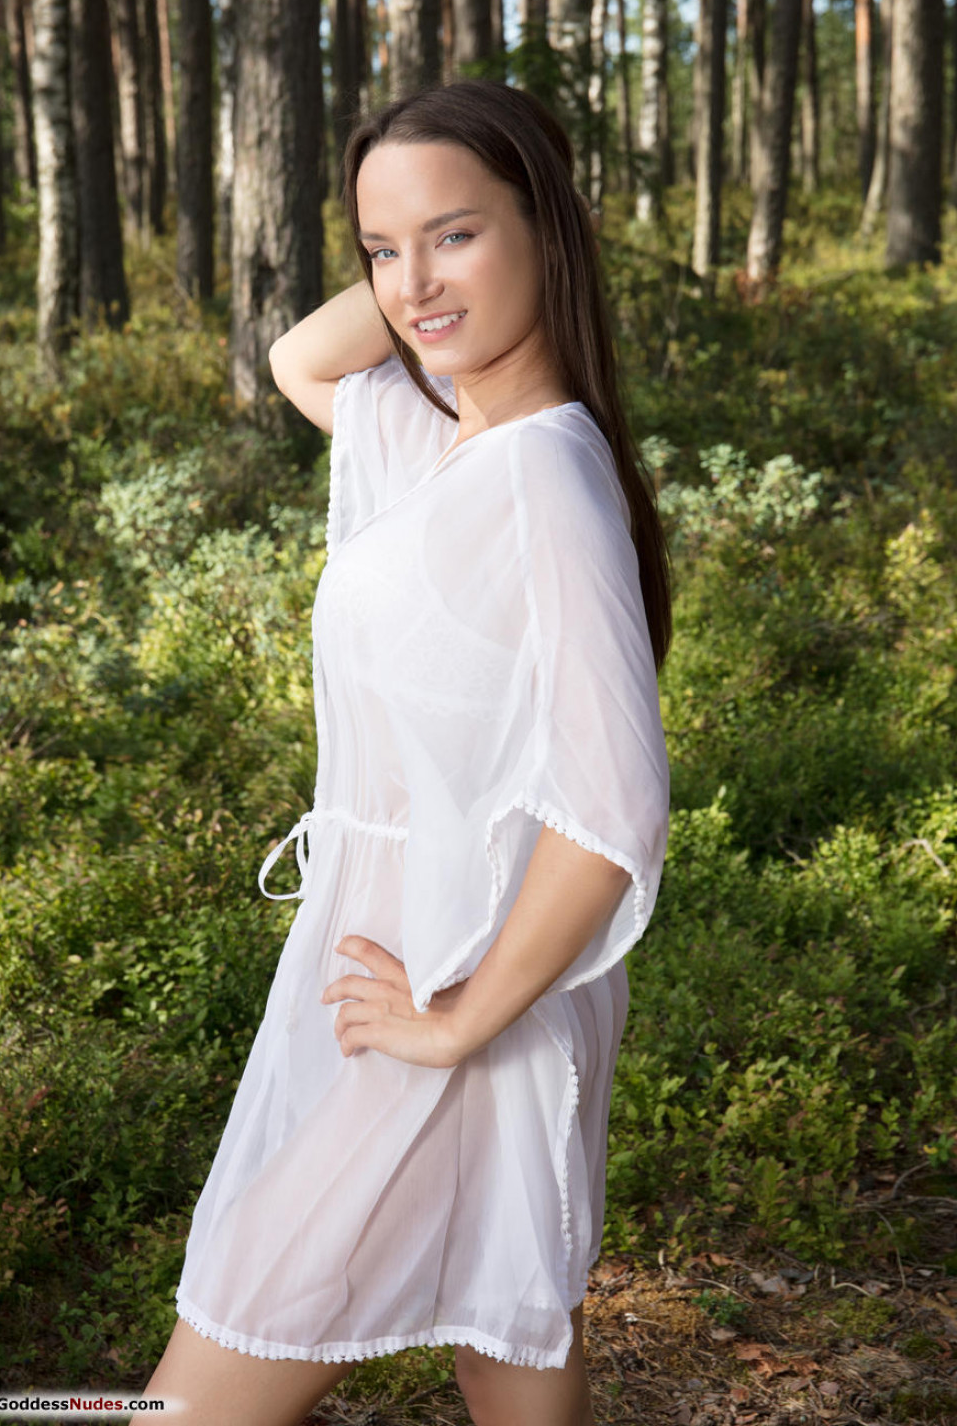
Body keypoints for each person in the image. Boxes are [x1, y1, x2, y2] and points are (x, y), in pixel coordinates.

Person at [145, 79, 671, 1426]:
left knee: (205, 1382)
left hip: (456, 987)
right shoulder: (436, 434)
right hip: (396, 968)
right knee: (506, 1339)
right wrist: (423, 266)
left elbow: (612, 810)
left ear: (548, 229)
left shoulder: (543, 478)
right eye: (382, 249)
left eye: (458, 234)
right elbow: (300, 361)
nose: (412, 285)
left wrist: (458, 1021)